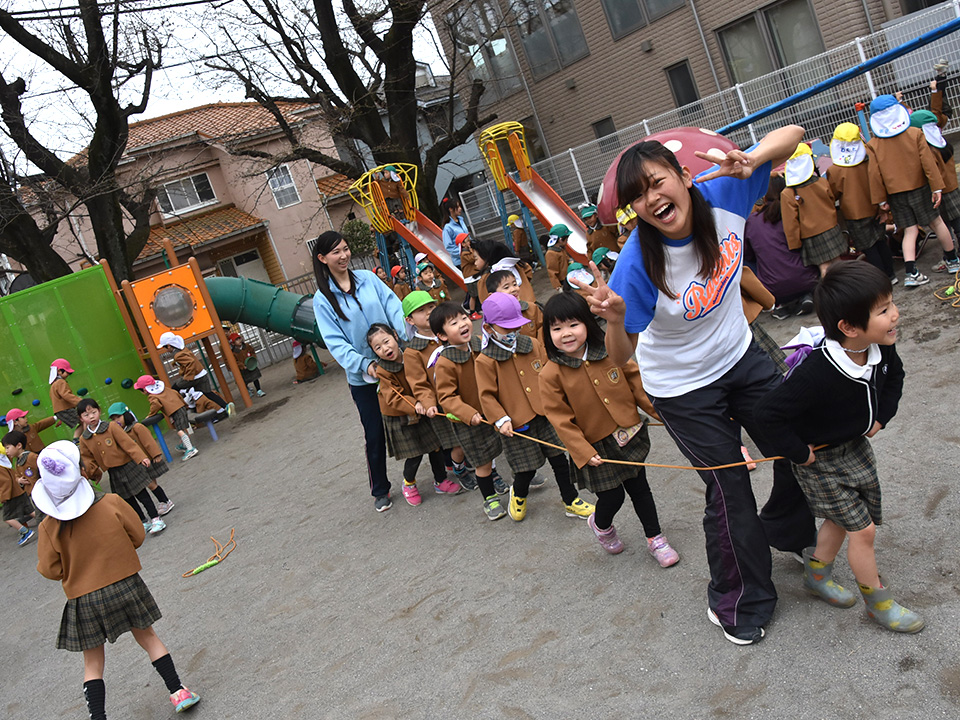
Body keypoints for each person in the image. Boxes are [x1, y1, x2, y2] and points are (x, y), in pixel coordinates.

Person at [590, 126, 816, 645]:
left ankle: (785, 532)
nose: (651, 199)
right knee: (729, 485)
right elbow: (620, 357)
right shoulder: (635, 265)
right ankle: (737, 601)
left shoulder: (724, 192)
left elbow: (796, 134)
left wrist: (753, 158)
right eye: (637, 197)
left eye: (656, 182)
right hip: (682, 387)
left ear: (684, 177)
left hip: (738, 354)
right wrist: (616, 319)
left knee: (797, 441)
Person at [756, 262, 922, 633]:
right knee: (862, 530)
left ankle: (816, 576)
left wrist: (882, 417)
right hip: (820, 460)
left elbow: (895, 378)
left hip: (855, 449)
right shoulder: (819, 371)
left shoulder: (880, 349)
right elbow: (767, 414)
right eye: (883, 311)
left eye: (891, 303)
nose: (895, 315)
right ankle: (878, 603)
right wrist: (800, 453)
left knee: (841, 518)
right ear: (848, 327)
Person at [32, 441, 200, 719]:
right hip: (125, 584)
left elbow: (50, 569)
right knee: (148, 637)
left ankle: (98, 717)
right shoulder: (111, 502)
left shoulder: (48, 526)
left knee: (93, 661)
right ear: (82, 472)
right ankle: (178, 691)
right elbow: (138, 536)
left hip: (84, 598)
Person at [538, 293, 678, 566]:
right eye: (556, 328)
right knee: (612, 496)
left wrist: (663, 414)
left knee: (640, 489)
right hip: (593, 447)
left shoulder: (611, 350)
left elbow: (639, 386)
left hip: (628, 433)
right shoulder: (550, 374)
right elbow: (560, 419)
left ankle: (656, 538)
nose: (566, 333)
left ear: (588, 324)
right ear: (547, 333)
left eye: (573, 324)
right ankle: (601, 525)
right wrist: (581, 450)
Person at [475, 293, 595, 522]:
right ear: (489, 329)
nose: (512, 333)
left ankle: (570, 500)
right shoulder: (485, 360)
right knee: (525, 468)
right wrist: (500, 419)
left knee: (560, 459)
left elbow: (550, 374)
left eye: (515, 327)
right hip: (516, 422)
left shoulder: (531, 344)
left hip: (546, 414)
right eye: (506, 329)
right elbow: (486, 396)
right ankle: (518, 494)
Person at [312, 230, 407, 513]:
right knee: (375, 432)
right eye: (336, 252)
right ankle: (380, 489)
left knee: (419, 413)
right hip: (364, 378)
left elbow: (392, 306)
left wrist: (405, 339)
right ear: (323, 258)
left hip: (394, 362)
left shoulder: (367, 279)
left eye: (345, 249)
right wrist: (366, 365)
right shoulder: (322, 299)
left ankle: (445, 468)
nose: (343, 256)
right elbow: (336, 343)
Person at [366, 323, 462, 506]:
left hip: (422, 407)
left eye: (386, 341)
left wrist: (426, 401)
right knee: (415, 453)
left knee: (435, 445)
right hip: (401, 415)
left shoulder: (410, 354)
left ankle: (440, 480)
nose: (385, 349)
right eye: (377, 347)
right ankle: (408, 483)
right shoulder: (383, 370)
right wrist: (414, 404)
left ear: (395, 335)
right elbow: (394, 397)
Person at [866, 94, 957, 285]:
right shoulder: (915, 134)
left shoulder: (873, 145)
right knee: (937, 223)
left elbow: (874, 175)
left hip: (896, 195)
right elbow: (928, 164)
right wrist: (937, 188)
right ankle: (953, 260)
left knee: (909, 230)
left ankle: (911, 273)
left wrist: (881, 201)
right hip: (921, 188)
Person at [430, 302, 507, 519]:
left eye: (464, 318)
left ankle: (501, 476)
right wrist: (467, 413)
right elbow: (446, 397)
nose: (463, 323)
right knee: (481, 460)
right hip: (468, 420)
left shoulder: (479, 343)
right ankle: (489, 500)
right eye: (454, 323)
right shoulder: (445, 362)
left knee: (497, 449)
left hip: (490, 410)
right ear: (442, 335)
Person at [401, 291, 474, 490]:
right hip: (443, 405)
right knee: (457, 442)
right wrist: (428, 403)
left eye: (431, 308)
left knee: (473, 434)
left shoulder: (449, 335)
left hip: (465, 395)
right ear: (410, 320)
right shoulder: (413, 351)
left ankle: (473, 463)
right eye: (421, 311)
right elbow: (419, 383)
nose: (427, 313)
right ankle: (459, 468)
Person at [77, 399, 166, 536]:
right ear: (81, 418)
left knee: (141, 493)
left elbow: (127, 443)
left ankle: (155, 518)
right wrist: (92, 473)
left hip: (128, 465)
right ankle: (142, 521)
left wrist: (141, 457)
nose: (91, 417)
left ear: (99, 411)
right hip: (113, 471)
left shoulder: (111, 426)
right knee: (127, 498)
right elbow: (87, 458)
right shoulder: (84, 438)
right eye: (86, 415)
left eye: (94, 412)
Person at [826, 123, 895, 282]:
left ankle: (882, 277)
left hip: (854, 214)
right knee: (881, 241)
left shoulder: (835, 170)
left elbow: (834, 194)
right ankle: (891, 273)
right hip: (875, 207)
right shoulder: (868, 160)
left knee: (868, 247)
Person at [744, 174, 818, 318]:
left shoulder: (752, 221)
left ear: (764, 196)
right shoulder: (795, 213)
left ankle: (782, 304)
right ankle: (804, 295)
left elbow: (748, 254)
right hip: (808, 279)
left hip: (773, 289)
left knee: (745, 261)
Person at [780, 143, 846, 275]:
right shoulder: (821, 182)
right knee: (839, 262)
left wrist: (795, 244)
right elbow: (831, 200)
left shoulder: (787, 193)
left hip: (810, 236)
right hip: (831, 227)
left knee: (824, 267)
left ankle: (832, 294)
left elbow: (790, 223)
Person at [909, 109, 960, 273]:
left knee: (946, 226)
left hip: (940, 193)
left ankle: (950, 257)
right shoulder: (942, 141)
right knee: (956, 224)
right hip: (952, 189)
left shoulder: (929, 150)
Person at [108, 403, 174, 517]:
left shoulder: (136, 427)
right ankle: (163, 501)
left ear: (126, 414)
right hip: (135, 464)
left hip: (146, 460)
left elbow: (148, 441)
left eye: (118, 417)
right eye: (113, 419)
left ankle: (165, 501)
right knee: (149, 483)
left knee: (151, 483)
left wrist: (155, 454)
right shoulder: (119, 432)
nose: (116, 421)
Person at [133, 375, 200, 462]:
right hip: (181, 407)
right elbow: (176, 394)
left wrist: (150, 414)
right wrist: (185, 405)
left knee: (179, 430)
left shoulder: (152, 396)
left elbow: (156, 405)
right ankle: (184, 444)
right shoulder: (165, 389)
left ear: (145, 390)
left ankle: (190, 449)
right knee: (183, 428)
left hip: (175, 412)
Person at [157, 333, 230, 411]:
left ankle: (178, 408)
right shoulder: (182, 349)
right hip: (202, 374)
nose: (165, 350)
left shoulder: (178, 355)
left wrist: (188, 377)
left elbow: (190, 362)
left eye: (165, 347)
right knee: (208, 393)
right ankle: (226, 406)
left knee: (175, 388)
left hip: (194, 377)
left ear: (169, 345)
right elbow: (188, 359)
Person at [472, 238, 537, 304]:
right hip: (530, 306)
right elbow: (528, 273)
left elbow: (485, 302)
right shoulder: (518, 266)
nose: (475, 263)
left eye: (476, 258)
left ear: (486, 257)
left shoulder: (484, 280)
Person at [486, 269, 543, 342]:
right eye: (506, 287)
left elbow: (542, 331)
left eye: (515, 284)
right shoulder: (493, 318)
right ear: (492, 295)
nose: (513, 289)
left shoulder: (531, 308)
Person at [1, 439, 35, 546]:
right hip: (19, 491)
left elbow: (5, 482)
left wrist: (3, 496)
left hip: (11, 495)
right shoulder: (4, 462)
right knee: (29, 511)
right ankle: (51, 520)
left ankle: (24, 531)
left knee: (7, 517)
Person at [49, 358, 82, 437]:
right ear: (59, 371)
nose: (68, 375)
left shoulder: (54, 385)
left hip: (60, 411)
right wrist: (81, 402)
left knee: (82, 422)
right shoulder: (60, 382)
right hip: (65, 409)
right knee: (84, 421)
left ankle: (78, 439)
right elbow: (66, 395)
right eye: (68, 372)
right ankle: (77, 439)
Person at [227, 332, 264, 397]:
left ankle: (259, 390)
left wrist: (253, 358)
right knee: (244, 381)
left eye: (239, 338)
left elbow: (252, 351)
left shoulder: (246, 346)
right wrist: (242, 365)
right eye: (237, 340)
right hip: (242, 368)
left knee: (255, 378)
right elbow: (235, 361)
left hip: (251, 365)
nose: (239, 341)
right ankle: (247, 390)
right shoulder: (233, 352)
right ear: (233, 343)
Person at [457, 233, 482, 320]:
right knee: (474, 296)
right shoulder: (464, 253)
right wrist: (473, 250)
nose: (469, 242)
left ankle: (477, 310)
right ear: (463, 244)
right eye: (467, 241)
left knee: (478, 294)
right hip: (470, 278)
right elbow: (473, 258)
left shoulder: (467, 251)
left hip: (474, 276)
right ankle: (472, 312)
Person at [441, 197, 468, 268]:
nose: (460, 208)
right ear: (451, 209)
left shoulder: (461, 220)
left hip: (469, 256)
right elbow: (448, 246)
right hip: (460, 261)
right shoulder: (447, 227)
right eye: (458, 206)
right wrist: (462, 252)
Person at [544, 224, 571, 290]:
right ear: (561, 240)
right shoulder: (551, 253)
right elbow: (552, 271)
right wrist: (557, 286)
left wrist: (570, 261)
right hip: (563, 281)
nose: (567, 240)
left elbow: (567, 258)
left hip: (569, 276)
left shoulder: (561, 248)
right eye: (566, 239)